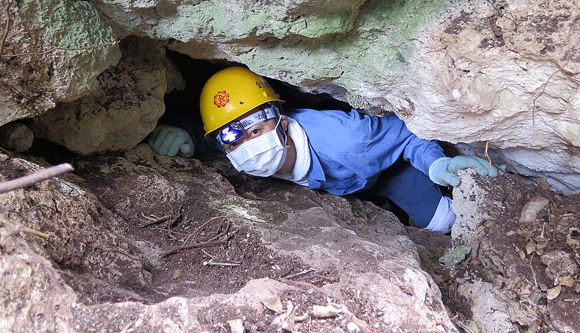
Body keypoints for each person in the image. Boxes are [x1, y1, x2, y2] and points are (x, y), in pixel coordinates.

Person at [148, 66, 502, 233]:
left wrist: (436, 163)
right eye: (233, 139)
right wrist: (180, 133)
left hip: (389, 172)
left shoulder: (352, 141)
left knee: (445, 224)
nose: (246, 145)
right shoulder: (232, 142)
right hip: (344, 186)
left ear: (282, 122)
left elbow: (407, 133)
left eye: (255, 130)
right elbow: (210, 134)